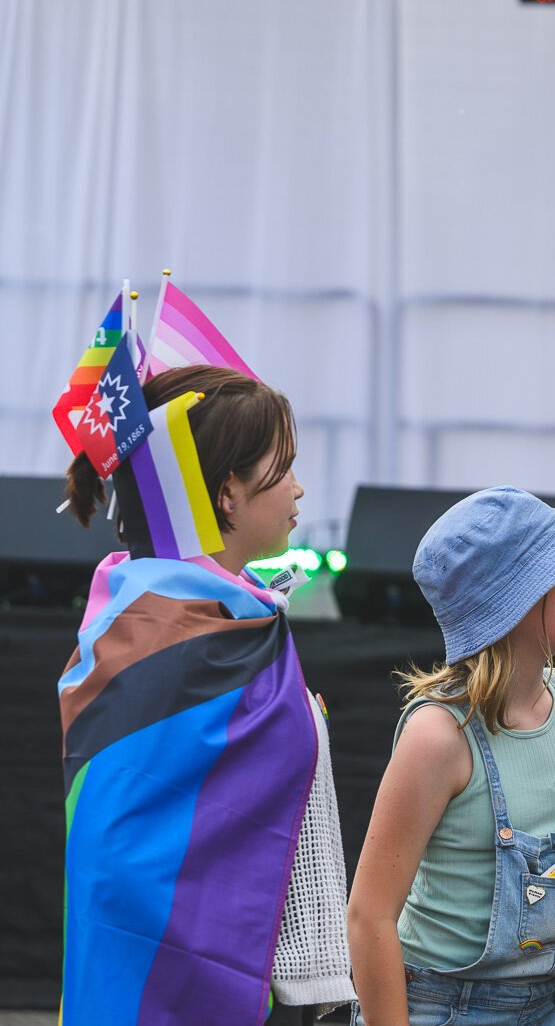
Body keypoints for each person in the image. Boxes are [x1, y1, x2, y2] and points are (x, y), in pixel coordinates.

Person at [59, 364, 354, 1024]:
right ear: (227, 494)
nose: (300, 488)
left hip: (169, 955)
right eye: (283, 470)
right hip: (194, 974)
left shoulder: (147, 610)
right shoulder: (220, 631)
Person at [347, 487, 555, 1025]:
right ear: (515, 596)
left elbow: (532, 873)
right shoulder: (438, 737)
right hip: (440, 1007)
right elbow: (368, 918)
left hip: (549, 1005)